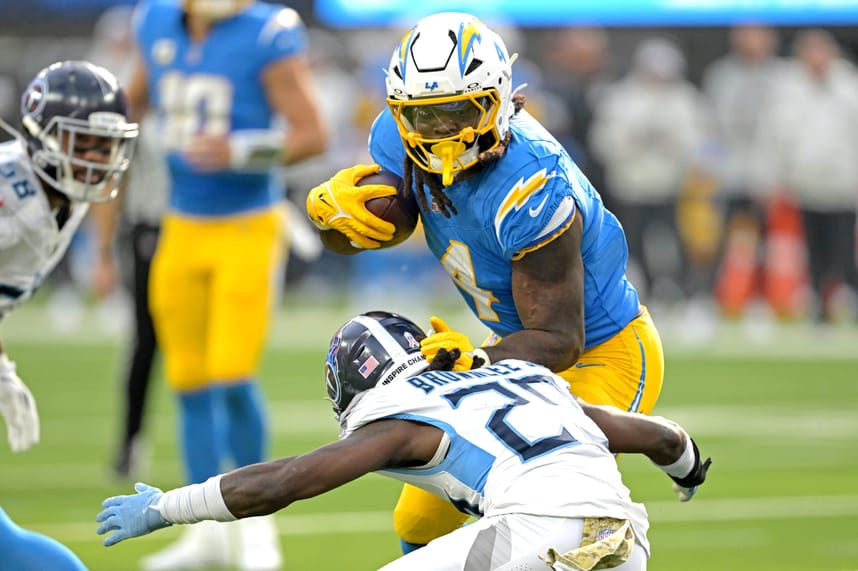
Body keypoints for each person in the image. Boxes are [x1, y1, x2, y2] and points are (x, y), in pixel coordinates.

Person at [305, 12, 665, 553]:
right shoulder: (401, 134)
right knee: (421, 520)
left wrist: (476, 361)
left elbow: (559, 339)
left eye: (456, 113)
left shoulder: (533, 184)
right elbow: (389, 217)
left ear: (496, 99)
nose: (440, 134)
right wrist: (337, 223)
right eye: (424, 119)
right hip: (511, 354)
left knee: (545, 509)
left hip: (598, 349)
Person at [97, 311, 712, 571]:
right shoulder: (520, 375)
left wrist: (166, 508)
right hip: (625, 539)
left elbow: (285, 482)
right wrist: (686, 469)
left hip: (539, 532)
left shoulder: (402, 419)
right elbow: (659, 436)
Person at [122, 0, 328, 569]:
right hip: (180, 224)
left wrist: (239, 150)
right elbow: (126, 107)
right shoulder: (155, 21)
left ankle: (259, 527)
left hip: (248, 225)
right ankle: (204, 530)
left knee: (233, 374)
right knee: (187, 380)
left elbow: (313, 134)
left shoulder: (267, 32)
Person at [0, 60, 139, 571]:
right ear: (41, 135)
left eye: (107, 147)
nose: (98, 160)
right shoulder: (10, 194)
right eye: (84, 144)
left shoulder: (64, 194)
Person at [86, 4, 170, 480]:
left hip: (212, 229)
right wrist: (101, 254)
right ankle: (130, 441)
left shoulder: (209, 82)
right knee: (145, 341)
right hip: (152, 229)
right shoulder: (134, 100)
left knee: (210, 353)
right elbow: (108, 182)